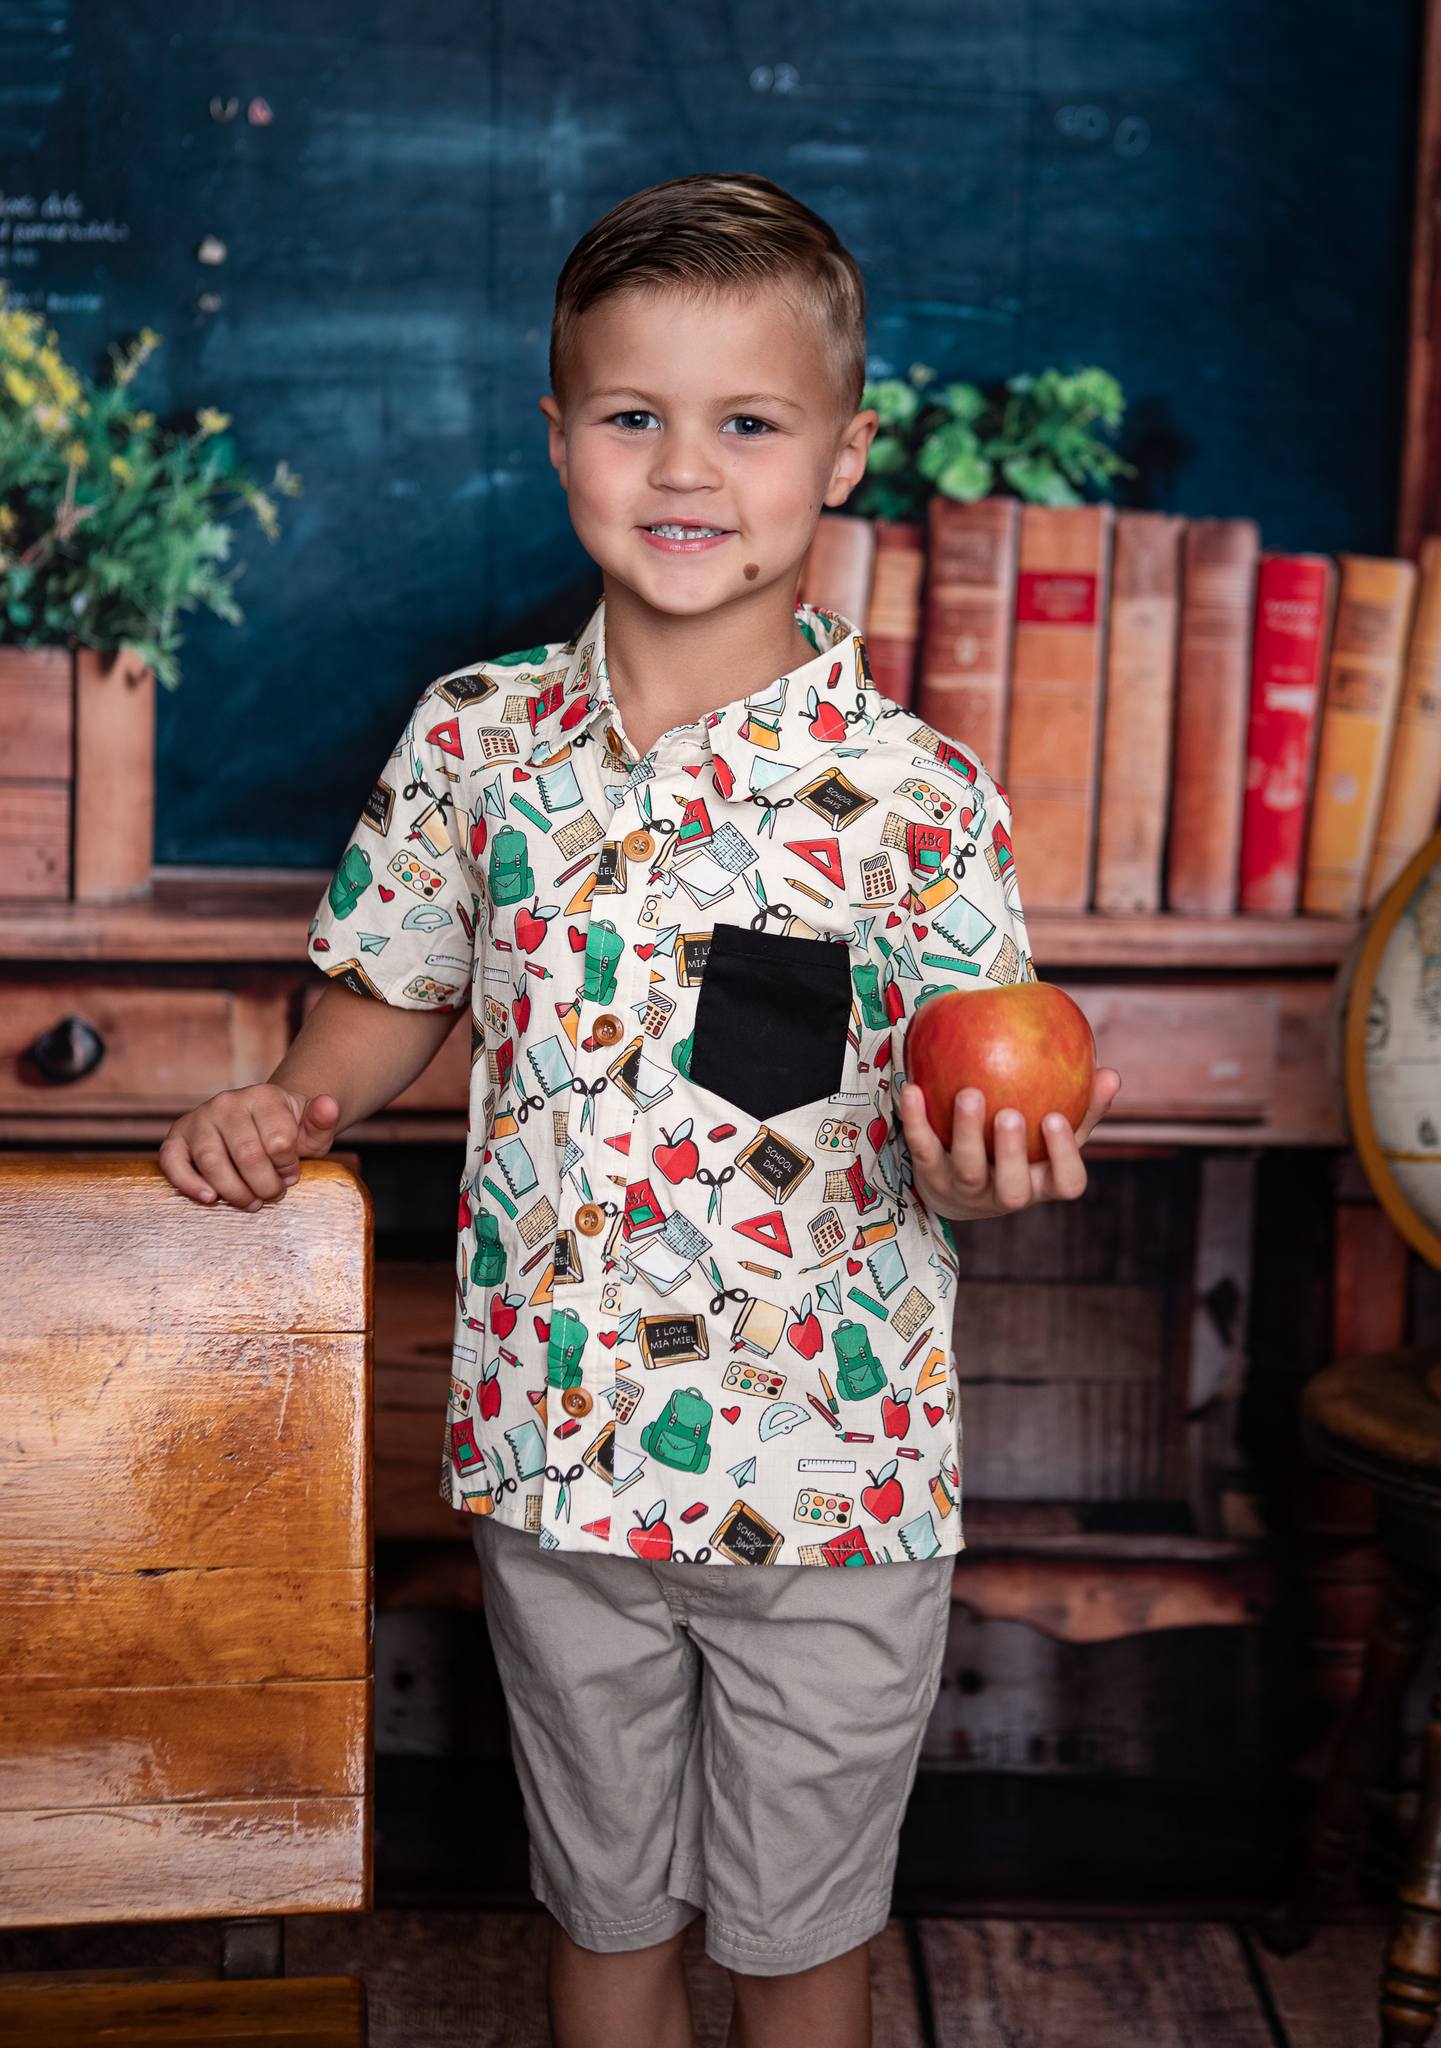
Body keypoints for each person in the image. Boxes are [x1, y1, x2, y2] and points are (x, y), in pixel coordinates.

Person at [159, 171, 1122, 2048]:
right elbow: (386, 993)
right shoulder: (476, 736)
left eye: (747, 422)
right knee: (602, 1912)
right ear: (559, 439)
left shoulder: (919, 797)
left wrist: (987, 1178)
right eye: (632, 417)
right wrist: (291, 1099)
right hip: (557, 1465)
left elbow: (982, 1084)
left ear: (842, 454)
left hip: (830, 1479)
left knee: (797, 1945)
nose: (687, 468)